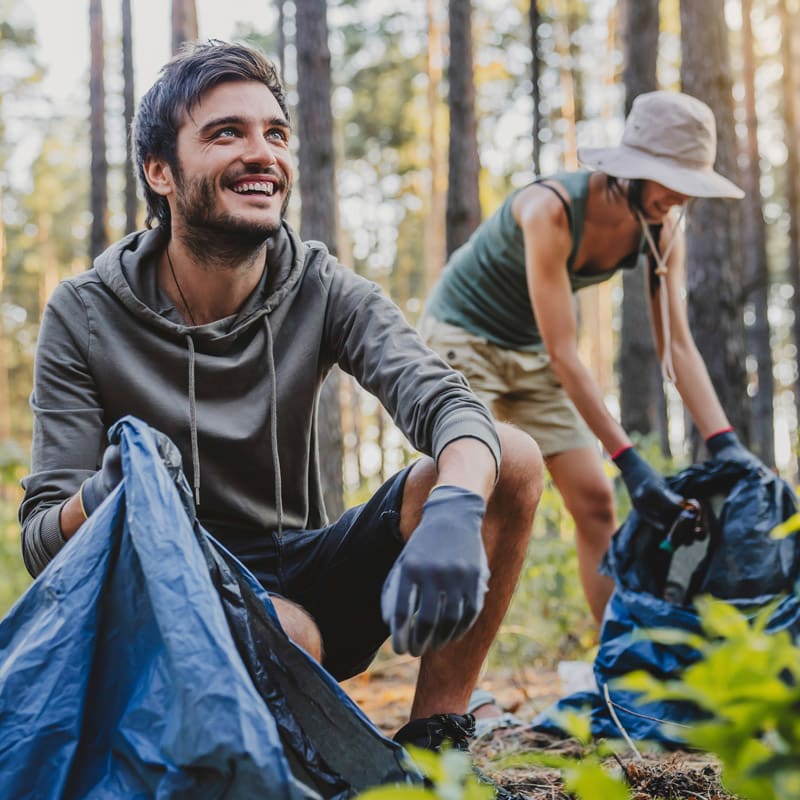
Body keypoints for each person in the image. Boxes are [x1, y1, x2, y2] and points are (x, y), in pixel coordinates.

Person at [18, 40, 543, 754]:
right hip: (173, 594)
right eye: (226, 133)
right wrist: (104, 496)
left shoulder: (321, 285)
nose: (262, 153)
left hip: (307, 568)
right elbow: (43, 544)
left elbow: (447, 404)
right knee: (287, 634)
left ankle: (437, 744)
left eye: (276, 133)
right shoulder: (83, 313)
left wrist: (453, 508)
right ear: (160, 172)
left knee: (506, 457)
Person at [420, 90, 757, 624]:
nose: (680, 198)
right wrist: (630, 461)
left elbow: (678, 345)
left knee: (597, 501)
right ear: (633, 169)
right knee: (477, 493)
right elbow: (566, 353)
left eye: (690, 186)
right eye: (672, 180)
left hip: (531, 353)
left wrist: (725, 443)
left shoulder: (661, 230)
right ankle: (453, 687)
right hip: (464, 339)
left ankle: (613, 667)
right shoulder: (549, 210)